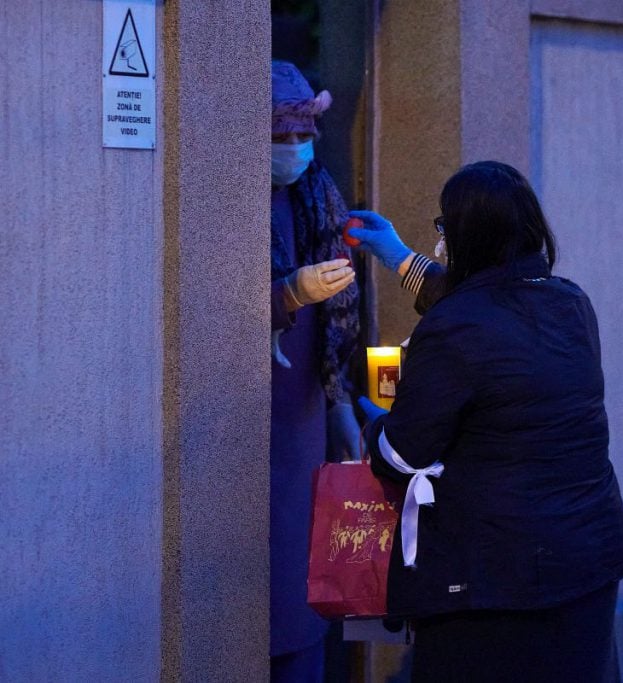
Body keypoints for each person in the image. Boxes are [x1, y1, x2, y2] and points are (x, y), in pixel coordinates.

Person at [347, 161, 623, 682]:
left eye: (444, 227)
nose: (440, 238)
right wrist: (401, 261)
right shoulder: (570, 304)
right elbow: (493, 306)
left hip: (495, 581)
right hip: (586, 562)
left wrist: (370, 424)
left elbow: (402, 455)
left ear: (464, 236)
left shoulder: (453, 329)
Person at [269, 60, 362, 681]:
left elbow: (338, 326)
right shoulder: (229, 203)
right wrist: (286, 295)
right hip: (253, 420)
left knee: (304, 578)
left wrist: (341, 403)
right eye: (283, 138)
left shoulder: (316, 197)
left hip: (302, 415)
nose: (298, 150)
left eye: (306, 136)